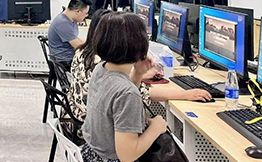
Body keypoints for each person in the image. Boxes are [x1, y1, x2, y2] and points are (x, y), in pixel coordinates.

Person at [81, 12, 197, 162]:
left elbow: (121, 103)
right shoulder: (126, 93)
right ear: (140, 45)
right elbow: (127, 155)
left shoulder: (101, 69)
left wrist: (138, 73)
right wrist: (156, 128)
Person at [70, 9, 211, 125]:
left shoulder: (83, 52)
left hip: (81, 119)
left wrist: (139, 74)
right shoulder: (102, 64)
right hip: (94, 127)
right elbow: (140, 93)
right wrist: (186, 94)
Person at [48, 0, 92, 68]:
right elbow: (78, 46)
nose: (86, 16)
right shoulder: (63, 23)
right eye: (86, 13)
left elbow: (76, 39)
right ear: (78, 11)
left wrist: (93, 42)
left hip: (68, 59)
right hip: (64, 62)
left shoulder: (71, 20)